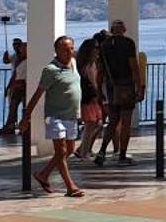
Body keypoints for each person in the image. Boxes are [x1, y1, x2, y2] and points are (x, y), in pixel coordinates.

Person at [26, 35, 85, 197]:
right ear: (57, 51)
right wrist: (26, 116)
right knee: (61, 151)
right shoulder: (50, 70)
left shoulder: (73, 64)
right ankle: (70, 187)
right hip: (55, 116)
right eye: (65, 49)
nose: (69, 52)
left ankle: (43, 174)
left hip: (72, 115)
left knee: (70, 150)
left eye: (71, 48)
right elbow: (38, 94)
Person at [96, 19, 141, 167]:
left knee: (113, 121)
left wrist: (98, 90)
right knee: (126, 121)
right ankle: (122, 154)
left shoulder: (104, 45)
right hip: (126, 86)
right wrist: (140, 87)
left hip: (111, 86)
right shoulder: (128, 43)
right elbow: (134, 67)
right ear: (123, 29)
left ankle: (102, 151)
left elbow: (100, 71)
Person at [0, 38, 28, 137]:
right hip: (17, 86)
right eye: (15, 45)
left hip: (22, 86)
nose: (17, 48)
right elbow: (7, 62)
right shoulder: (16, 57)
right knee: (13, 107)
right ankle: (11, 126)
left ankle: (21, 127)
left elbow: (16, 75)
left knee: (23, 107)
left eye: (19, 46)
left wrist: (9, 87)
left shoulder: (25, 61)